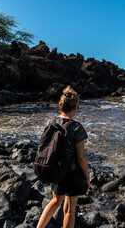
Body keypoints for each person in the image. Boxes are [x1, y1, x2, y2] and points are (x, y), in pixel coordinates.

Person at [37, 86, 90, 228]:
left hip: (55, 168)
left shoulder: (52, 121)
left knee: (55, 200)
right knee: (69, 209)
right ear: (76, 106)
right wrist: (87, 176)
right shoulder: (77, 127)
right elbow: (81, 157)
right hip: (72, 173)